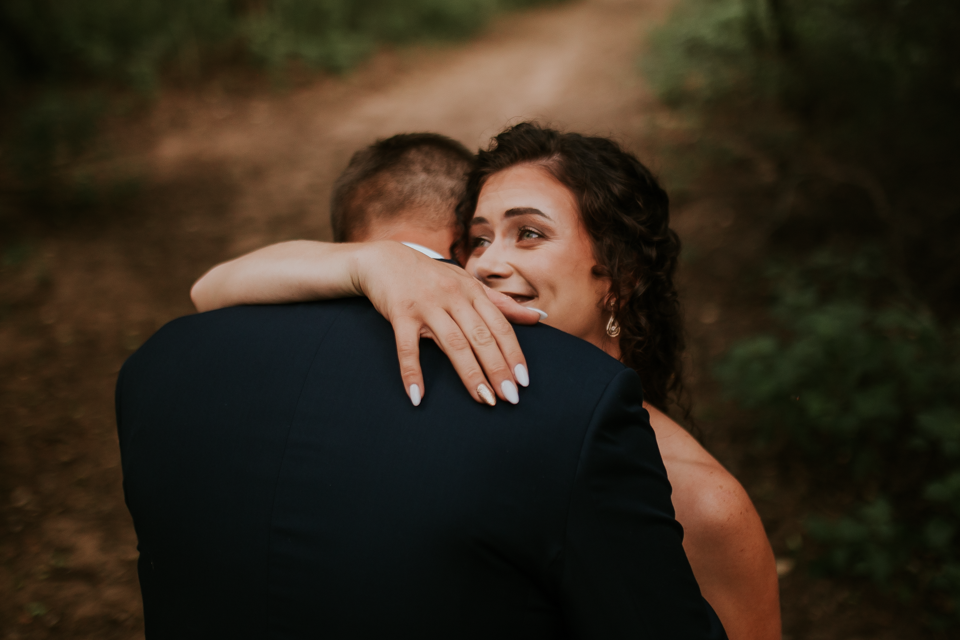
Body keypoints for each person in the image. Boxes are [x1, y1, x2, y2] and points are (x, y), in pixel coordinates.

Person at [117, 132, 726, 638]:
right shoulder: (511, 399)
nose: (486, 264)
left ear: (617, 275)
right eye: (479, 241)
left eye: (529, 233)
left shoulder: (690, 487)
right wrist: (378, 263)